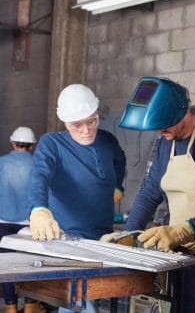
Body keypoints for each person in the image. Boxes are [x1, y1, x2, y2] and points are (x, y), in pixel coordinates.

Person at [101, 77, 195, 312]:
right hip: (177, 251)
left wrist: (186, 229)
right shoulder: (165, 143)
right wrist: (128, 236)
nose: (161, 132)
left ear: (183, 113)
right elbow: (151, 191)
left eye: (165, 126)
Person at [28, 84, 126, 313]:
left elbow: (119, 162)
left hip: (103, 237)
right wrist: (38, 208)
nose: (85, 130)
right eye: (76, 125)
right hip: (67, 239)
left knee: (97, 296)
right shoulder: (52, 144)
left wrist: (118, 186)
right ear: (64, 122)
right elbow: (39, 176)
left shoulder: (108, 141)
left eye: (91, 121)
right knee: (79, 302)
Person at [0, 127, 43, 313]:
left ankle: (10, 306)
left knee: (7, 264)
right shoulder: (38, 165)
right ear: (32, 146)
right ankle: (31, 306)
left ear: (13, 143)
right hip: (30, 223)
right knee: (33, 263)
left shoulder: (1, 163)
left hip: (3, 221)